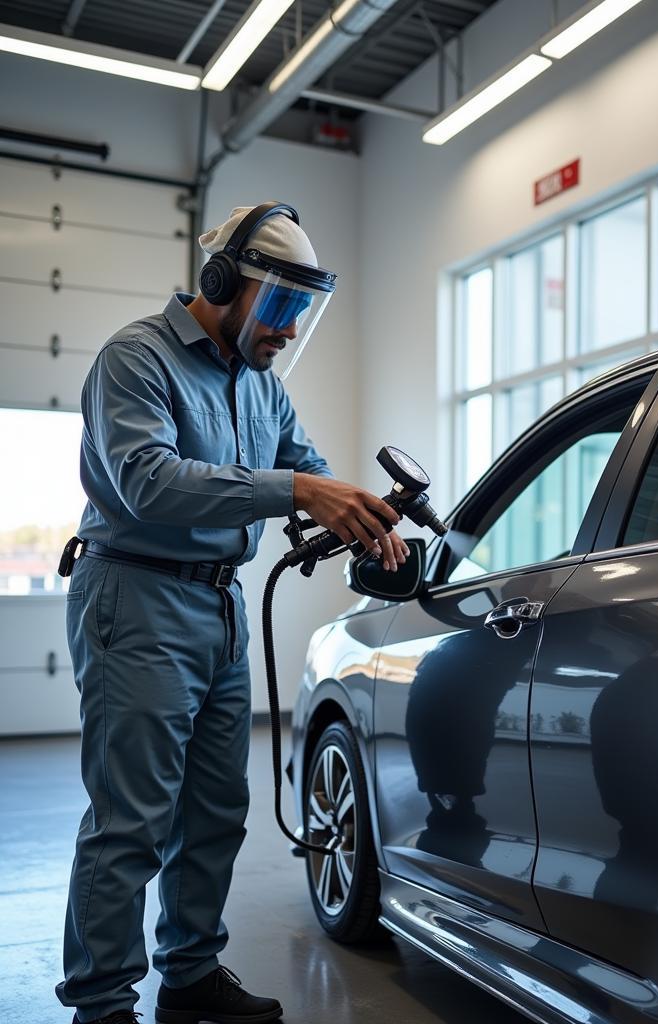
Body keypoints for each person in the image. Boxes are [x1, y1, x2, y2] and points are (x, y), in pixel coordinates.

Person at [55, 202, 408, 1024]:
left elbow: (307, 470)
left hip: (220, 606)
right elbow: (148, 478)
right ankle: (103, 1006)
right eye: (279, 306)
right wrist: (297, 490)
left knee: (215, 810)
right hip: (136, 598)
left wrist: (363, 520)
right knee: (131, 820)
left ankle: (188, 975)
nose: (287, 329)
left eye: (299, 312)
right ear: (224, 284)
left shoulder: (262, 389)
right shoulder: (134, 361)